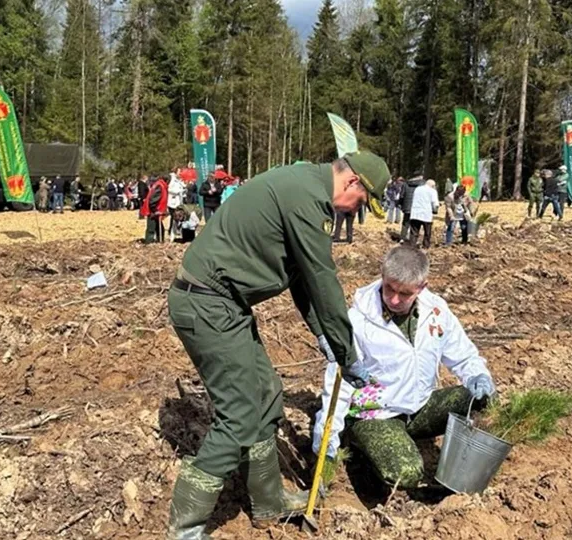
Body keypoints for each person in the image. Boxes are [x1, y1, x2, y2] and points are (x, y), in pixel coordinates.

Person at [165, 153, 391, 539]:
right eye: (361, 205)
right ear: (353, 183)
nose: (355, 214)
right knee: (238, 413)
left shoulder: (305, 184)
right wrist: (347, 353)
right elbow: (322, 279)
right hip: (207, 303)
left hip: (225, 304)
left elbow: (303, 279)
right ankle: (185, 528)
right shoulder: (308, 200)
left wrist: (326, 339)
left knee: (267, 393)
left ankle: (267, 501)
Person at [312, 246, 495, 490]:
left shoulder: (436, 311)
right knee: (406, 473)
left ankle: (462, 474)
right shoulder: (357, 321)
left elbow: (462, 354)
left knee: (483, 398)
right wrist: (326, 449)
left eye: (405, 294)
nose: (394, 299)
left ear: (422, 287)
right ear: (382, 276)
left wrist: (478, 375)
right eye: (390, 288)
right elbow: (337, 386)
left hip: (419, 406)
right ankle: (361, 444)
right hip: (376, 414)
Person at [409, 179, 439, 249]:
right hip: (426, 214)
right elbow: (435, 203)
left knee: (414, 232)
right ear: (433, 186)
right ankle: (425, 246)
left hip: (415, 213)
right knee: (427, 232)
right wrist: (435, 210)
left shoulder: (417, 189)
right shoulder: (432, 191)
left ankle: (412, 246)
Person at [141, 176, 168, 243]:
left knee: (160, 229)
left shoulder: (160, 185)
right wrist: (154, 210)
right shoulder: (159, 186)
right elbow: (153, 200)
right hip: (152, 211)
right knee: (151, 229)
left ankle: (160, 241)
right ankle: (148, 242)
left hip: (156, 211)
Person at [400, 176, 424, 241]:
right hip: (417, 207)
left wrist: (401, 204)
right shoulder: (422, 185)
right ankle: (412, 240)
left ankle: (402, 238)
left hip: (407, 206)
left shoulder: (405, 184)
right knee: (415, 224)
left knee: (405, 223)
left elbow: (401, 196)